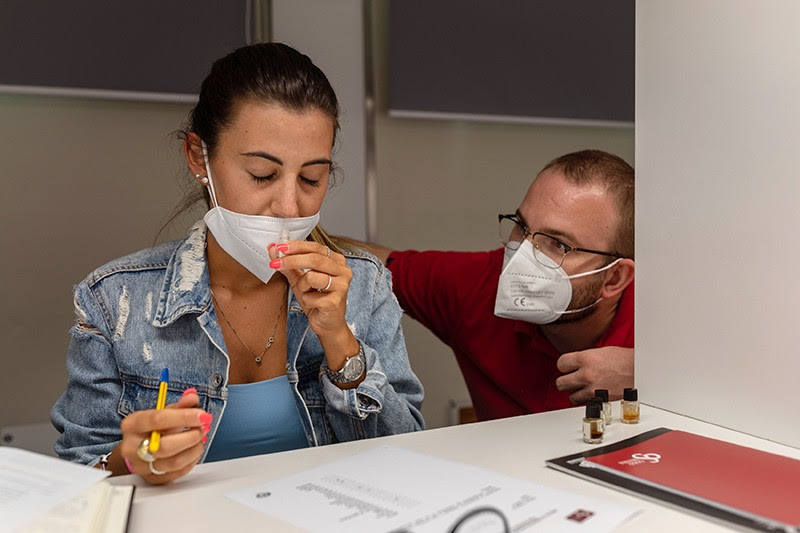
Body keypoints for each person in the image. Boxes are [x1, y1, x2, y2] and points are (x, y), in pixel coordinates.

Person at [51, 42, 424, 484]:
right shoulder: (113, 300)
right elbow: (75, 477)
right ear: (198, 157)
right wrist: (130, 459)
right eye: (262, 175)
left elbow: (407, 458)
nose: (288, 206)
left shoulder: (364, 286)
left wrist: (339, 341)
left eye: (311, 178)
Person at [365, 150, 634, 421]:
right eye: (521, 226)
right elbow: (369, 264)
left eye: (558, 244)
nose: (521, 257)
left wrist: (652, 375)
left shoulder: (665, 329)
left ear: (615, 278)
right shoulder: (479, 285)